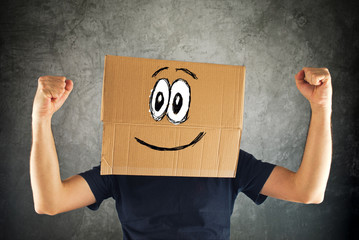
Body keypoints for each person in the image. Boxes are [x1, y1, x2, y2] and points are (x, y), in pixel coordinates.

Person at [30, 67, 332, 239]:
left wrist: (321, 107)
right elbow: (50, 202)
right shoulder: (124, 160)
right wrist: (41, 118)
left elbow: (308, 191)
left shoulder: (225, 158)